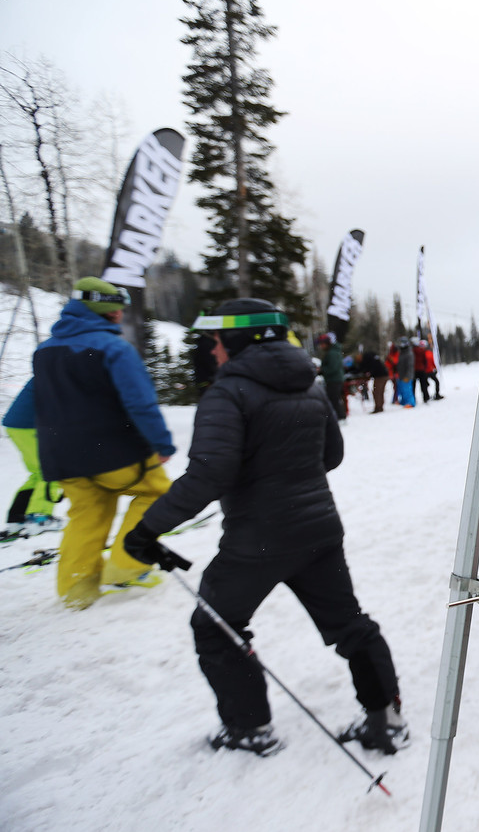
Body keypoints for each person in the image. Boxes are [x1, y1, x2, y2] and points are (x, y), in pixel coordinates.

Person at [123, 299, 407, 758]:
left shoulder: (228, 391)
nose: (211, 351)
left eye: (214, 341)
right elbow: (329, 455)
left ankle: (248, 727)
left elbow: (208, 476)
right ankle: (386, 722)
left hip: (256, 541)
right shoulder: (310, 385)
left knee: (216, 627)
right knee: (349, 625)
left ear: (237, 339)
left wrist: (145, 529)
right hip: (318, 532)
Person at [31, 277, 175, 609]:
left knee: (86, 514)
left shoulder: (45, 350)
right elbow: (140, 403)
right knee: (156, 495)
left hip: (62, 455)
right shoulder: (114, 348)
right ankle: (126, 568)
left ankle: (76, 589)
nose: (122, 312)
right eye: (118, 306)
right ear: (107, 309)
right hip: (115, 451)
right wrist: (162, 444)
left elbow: (34, 405)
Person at [3, 380, 64, 536]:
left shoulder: (51, 366)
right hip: (29, 425)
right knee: (51, 470)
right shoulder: (64, 370)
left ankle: (17, 517)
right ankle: (40, 517)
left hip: (16, 425)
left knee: (38, 472)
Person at [316, 333, 346, 421]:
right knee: (334, 398)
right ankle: (339, 416)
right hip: (334, 379)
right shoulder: (332, 352)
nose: (321, 346)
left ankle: (340, 417)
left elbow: (333, 367)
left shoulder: (332, 353)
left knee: (334, 399)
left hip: (334, 379)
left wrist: (322, 370)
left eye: (322, 344)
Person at [358, 349, 390, 413]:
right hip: (383, 375)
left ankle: (378, 407)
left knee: (377, 392)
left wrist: (368, 373)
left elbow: (370, 368)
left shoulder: (369, 360)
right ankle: (379, 406)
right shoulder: (374, 358)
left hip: (380, 377)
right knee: (379, 392)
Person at [393, 337, 416, 408]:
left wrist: (408, 376)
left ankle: (410, 403)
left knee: (407, 390)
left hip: (407, 376)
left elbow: (410, 366)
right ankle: (404, 401)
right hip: (401, 375)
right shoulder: (401, 353)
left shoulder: (409, 353)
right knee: (402, 389)